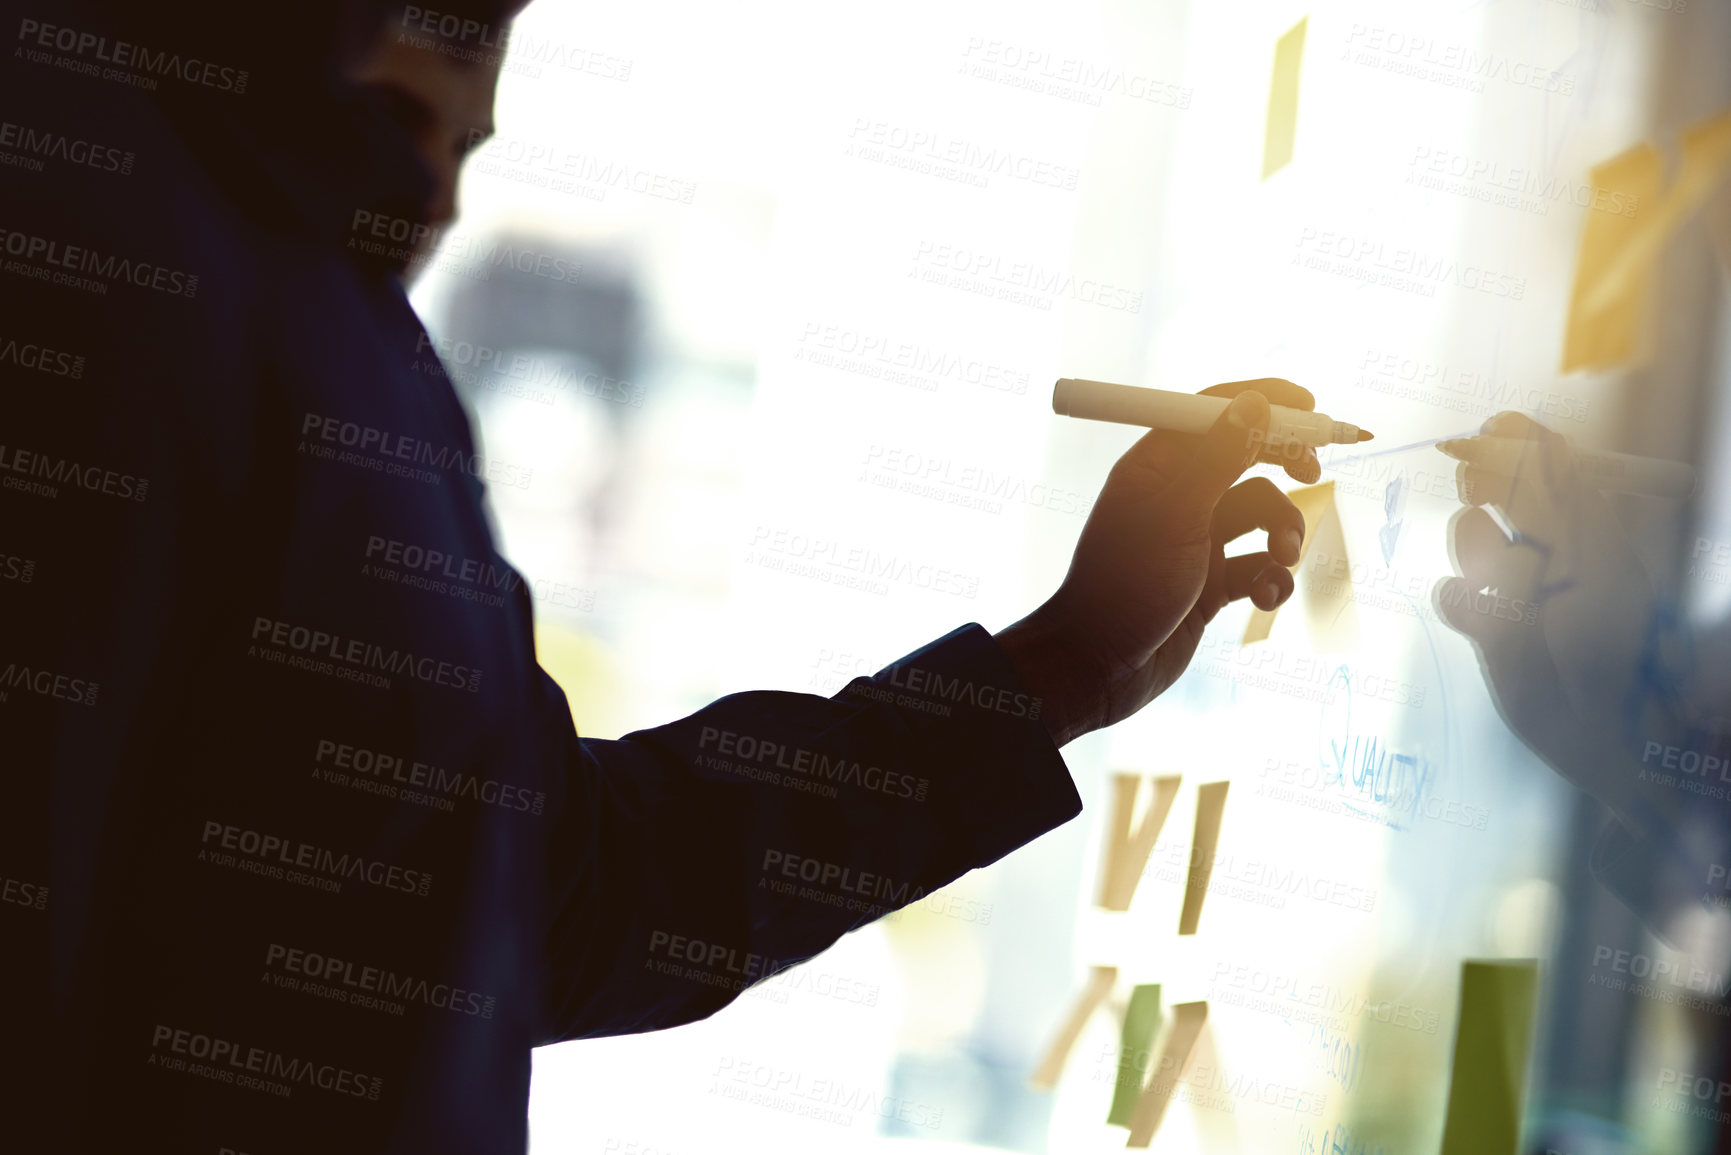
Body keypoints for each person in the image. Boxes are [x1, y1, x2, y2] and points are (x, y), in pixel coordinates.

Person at [2, 2, 1315, 1150]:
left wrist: (1063, 667)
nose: (438, 194)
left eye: (466, 136)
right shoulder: (144, 282)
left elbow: (521, 889)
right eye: (435, 51)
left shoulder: (303, 333)